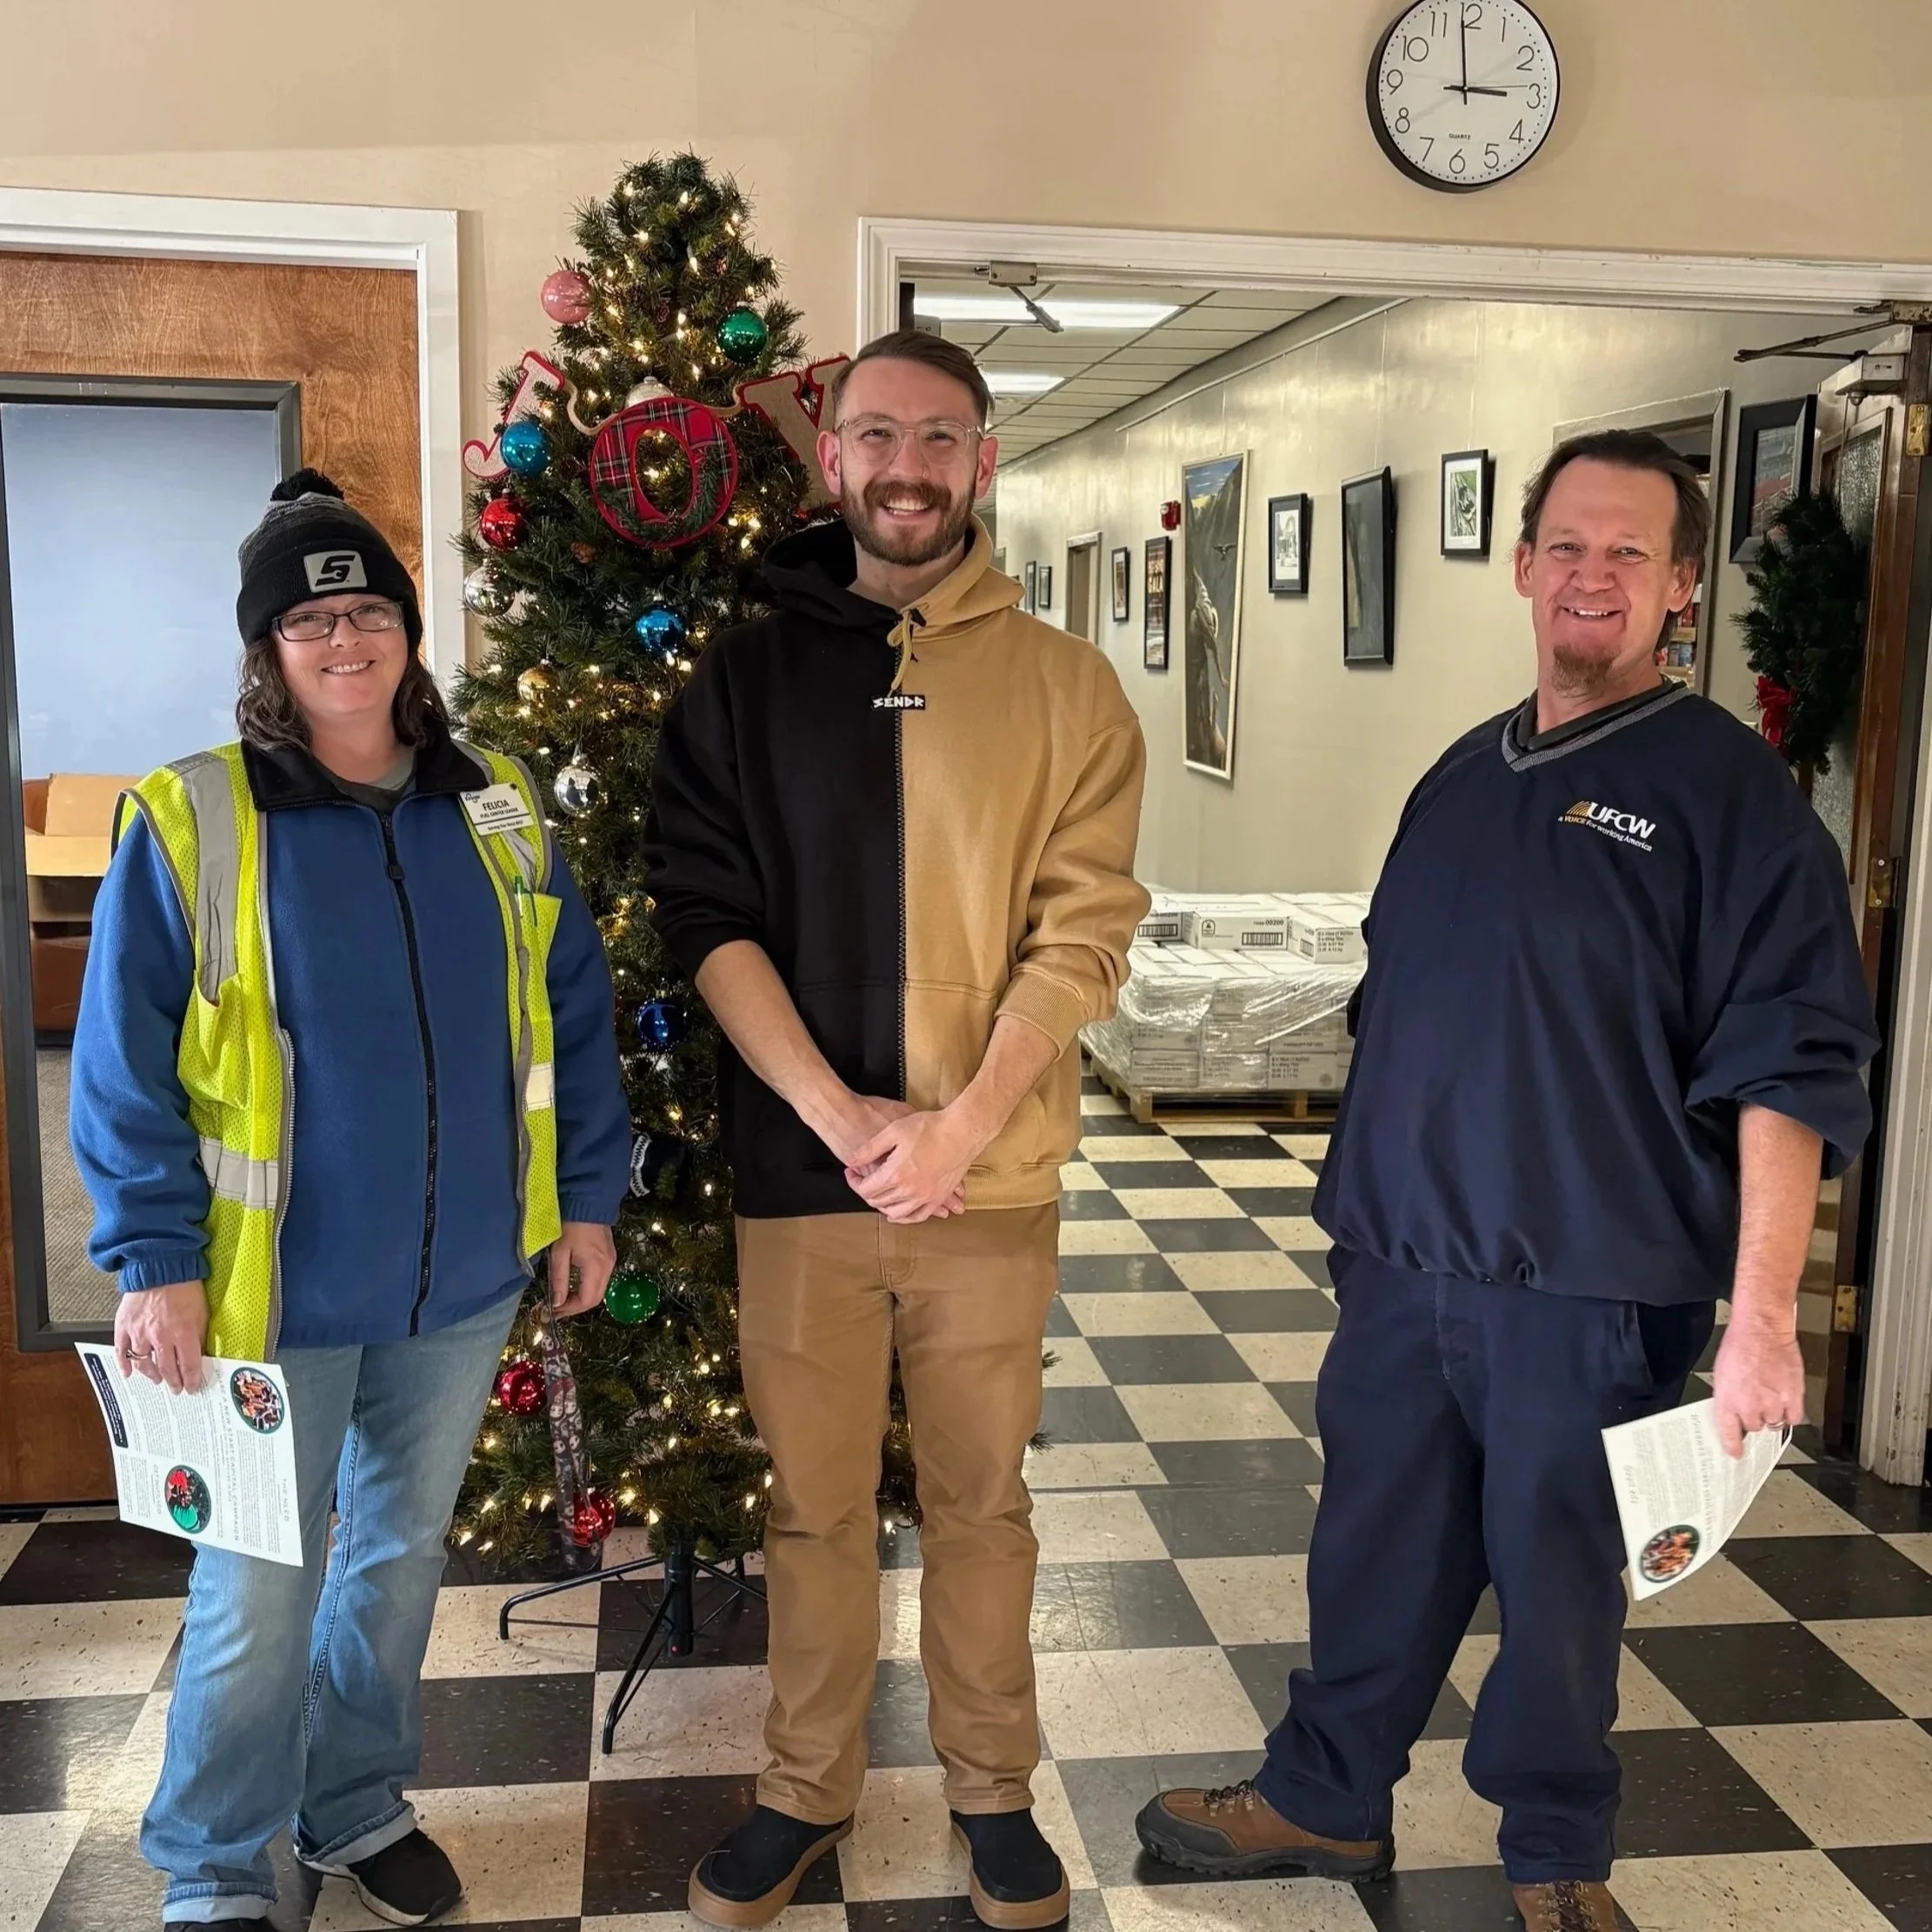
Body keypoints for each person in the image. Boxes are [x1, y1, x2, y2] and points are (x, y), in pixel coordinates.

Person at [1135, 430, 1878, 1932]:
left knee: (1557, 1594)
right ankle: (1326, 1797)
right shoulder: (1458, 776)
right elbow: (1400, 1007)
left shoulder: (1729, 798)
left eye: (1629, 554)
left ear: (1680, 587)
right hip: (1406, 1263)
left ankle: (1553, 1853)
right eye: (1565, 545)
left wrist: (1758, 1316)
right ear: (1521, 564)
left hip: (1589, 1292)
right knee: (1369, 1550)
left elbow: (1788, 1069)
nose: (1589, 576)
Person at [70, 471, 631, 1929]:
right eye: (309, 620)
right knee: (255, 1592)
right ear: (267, 651)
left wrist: (580, 1200)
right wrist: (151, 1258)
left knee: (391, 1563)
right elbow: (123, 1056)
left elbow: (569, 1017)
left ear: (407, 634)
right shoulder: (194, 813)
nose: (343, 640)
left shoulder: (494, 804)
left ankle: (355, 1801)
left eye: (367, 610)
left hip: (457, 1285)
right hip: (262, 1293)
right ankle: (212, 1858)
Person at [644, 329, 1149, 1929]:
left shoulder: (1066, 685)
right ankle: (806, 1785)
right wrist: (839, 1112)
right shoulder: (737, 675)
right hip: (802, 1178)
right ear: (837, 454)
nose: (907, 465)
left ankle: (991, 1784)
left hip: (986, 1180)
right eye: (876, 434)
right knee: (807, 1507)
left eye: (939, 436)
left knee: (980, 1502)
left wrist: (954, 1128)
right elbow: (703, 909)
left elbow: (1083, 934)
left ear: (981, 460)